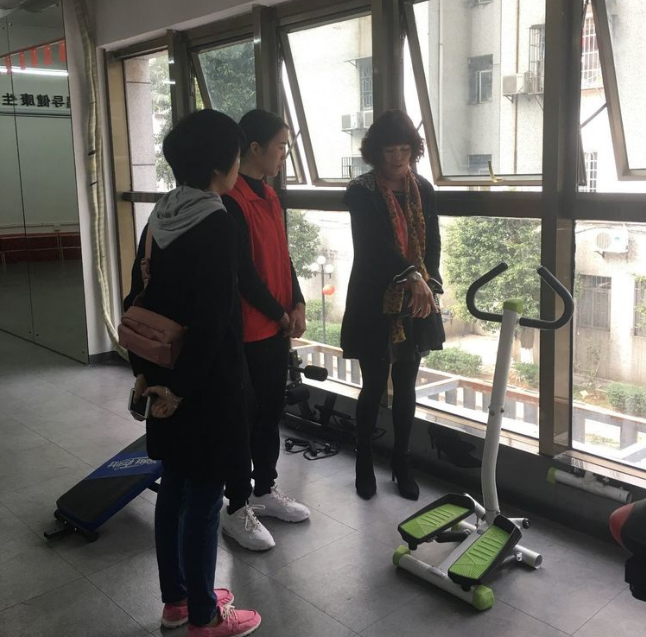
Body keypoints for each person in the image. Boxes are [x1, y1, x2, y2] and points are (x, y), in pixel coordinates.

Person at [123, 109, 261, 637]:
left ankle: (177, 600)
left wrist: (148, 377)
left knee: (175, 489)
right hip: (205, 384)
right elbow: (213, 320)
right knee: (204, 498)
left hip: (161, 374)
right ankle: (205, 615)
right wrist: (180, 389)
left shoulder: (159, 217)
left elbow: (137, 301)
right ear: (221, 165)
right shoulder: (219, 222)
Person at [341, 109, 445, 502]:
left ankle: (402, 463)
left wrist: (428, 281)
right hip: (374, 299)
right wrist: (411, 275)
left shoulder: (423, 188)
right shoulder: (361, 191)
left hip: (415, 300)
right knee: (372, 387)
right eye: (390, 150)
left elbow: (432, 242)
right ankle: (364, 461)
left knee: (406, 387)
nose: (398, 157)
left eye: (404, 149)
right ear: (376, 152)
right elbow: (373, 248)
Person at [219, 109, 310, 551]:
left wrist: (298, 301)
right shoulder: (231, 199)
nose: (283, 155)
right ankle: (235, 506)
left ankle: (264, 489)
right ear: (254, 148)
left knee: (271, 410)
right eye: (280, 147)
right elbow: (243, 273)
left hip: (275, 327)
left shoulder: (270, 195)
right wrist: (278, 312)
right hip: (247, 330)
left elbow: (282, 256)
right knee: (242, 418)